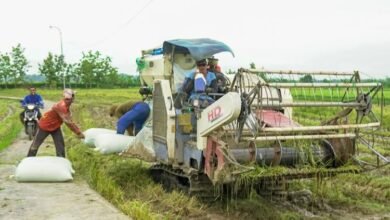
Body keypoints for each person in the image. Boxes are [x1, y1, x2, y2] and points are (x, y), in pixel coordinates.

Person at [27, 89, 85, 158]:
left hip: (55, 126)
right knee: (35, 144)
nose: (74, 98)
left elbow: (69, 119)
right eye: (73, 96)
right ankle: (29, 159)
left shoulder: (66, 105)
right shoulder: (61, 106)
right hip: (45, 126)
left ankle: (61, 161)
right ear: (70, 98)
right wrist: (78, 132)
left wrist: (77, 129)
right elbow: (68, 122)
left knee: (60, 145)